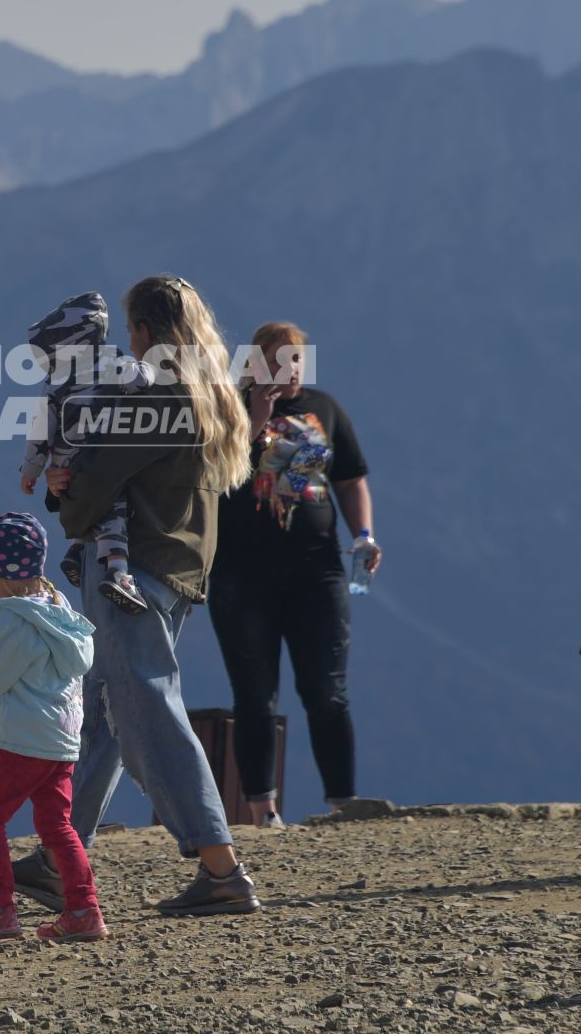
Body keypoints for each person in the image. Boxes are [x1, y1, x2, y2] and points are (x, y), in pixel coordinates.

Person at [13, 274, 262, 916]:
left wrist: (63, 487)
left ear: (147, 331)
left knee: (148, 710)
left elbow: (90, 488)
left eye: (131, 329)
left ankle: (221, 866)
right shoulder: (211, 392)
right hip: (176, 568)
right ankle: (56, 856)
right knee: (102, 713)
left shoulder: (159, 395)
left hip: (132, 572)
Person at [208, 321, 380, 827]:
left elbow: (350, 480)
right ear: (254, 364)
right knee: (255, 694)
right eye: (277, 360)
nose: (290, 370)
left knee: (328, 691)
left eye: (297, 359)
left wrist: (363, 534)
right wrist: (256, 413)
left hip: (318, 569)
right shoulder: (227, 410)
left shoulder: (324, 408)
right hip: (243, 573)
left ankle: (343, 804)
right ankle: (264, 812)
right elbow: (214, 473)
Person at [0, 512, 106, 943]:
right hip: (63, 739)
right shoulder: (57, 608)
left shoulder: (12, 618)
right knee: (58, 826)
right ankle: (84, 909)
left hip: (24, 741)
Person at [20, 290, 153, 612]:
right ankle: (118, 572)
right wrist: (150, 367)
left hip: (65, 460)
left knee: (83, 500)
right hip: (100, 457)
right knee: (115, 509)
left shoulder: (54, 381)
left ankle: (78, 549)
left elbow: (41, 428)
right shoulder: (114, 362)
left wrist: (31, 470)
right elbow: (143, 380)